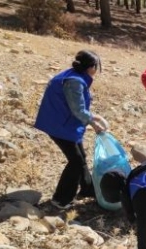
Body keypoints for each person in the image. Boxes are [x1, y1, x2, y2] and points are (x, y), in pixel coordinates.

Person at [34, 50, 107, 210]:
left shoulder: (74, 75)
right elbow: (78, 110)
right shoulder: (75, 82)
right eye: (98, 65)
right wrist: (94, 122)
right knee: (76, 161)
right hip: (60, 126)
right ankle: (60, 199)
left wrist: (93, 118)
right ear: (91, 66)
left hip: (62, 122)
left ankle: (87, 188)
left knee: (80, 156)